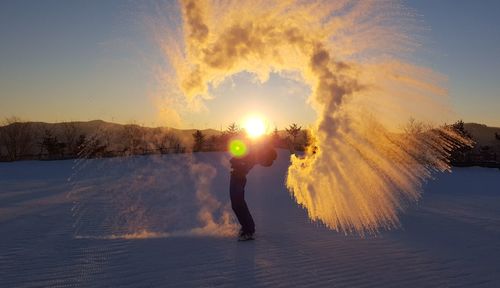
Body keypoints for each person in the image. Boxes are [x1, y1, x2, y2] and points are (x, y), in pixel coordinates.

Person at [230, 141, 277, 241]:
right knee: (237, 204)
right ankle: (247, 228)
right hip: (236, 178)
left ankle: (248, 230)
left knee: (238, 204)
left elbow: (267, 162)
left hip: (239, 179)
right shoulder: (249, 153)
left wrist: (269, 151)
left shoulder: (254, 155)